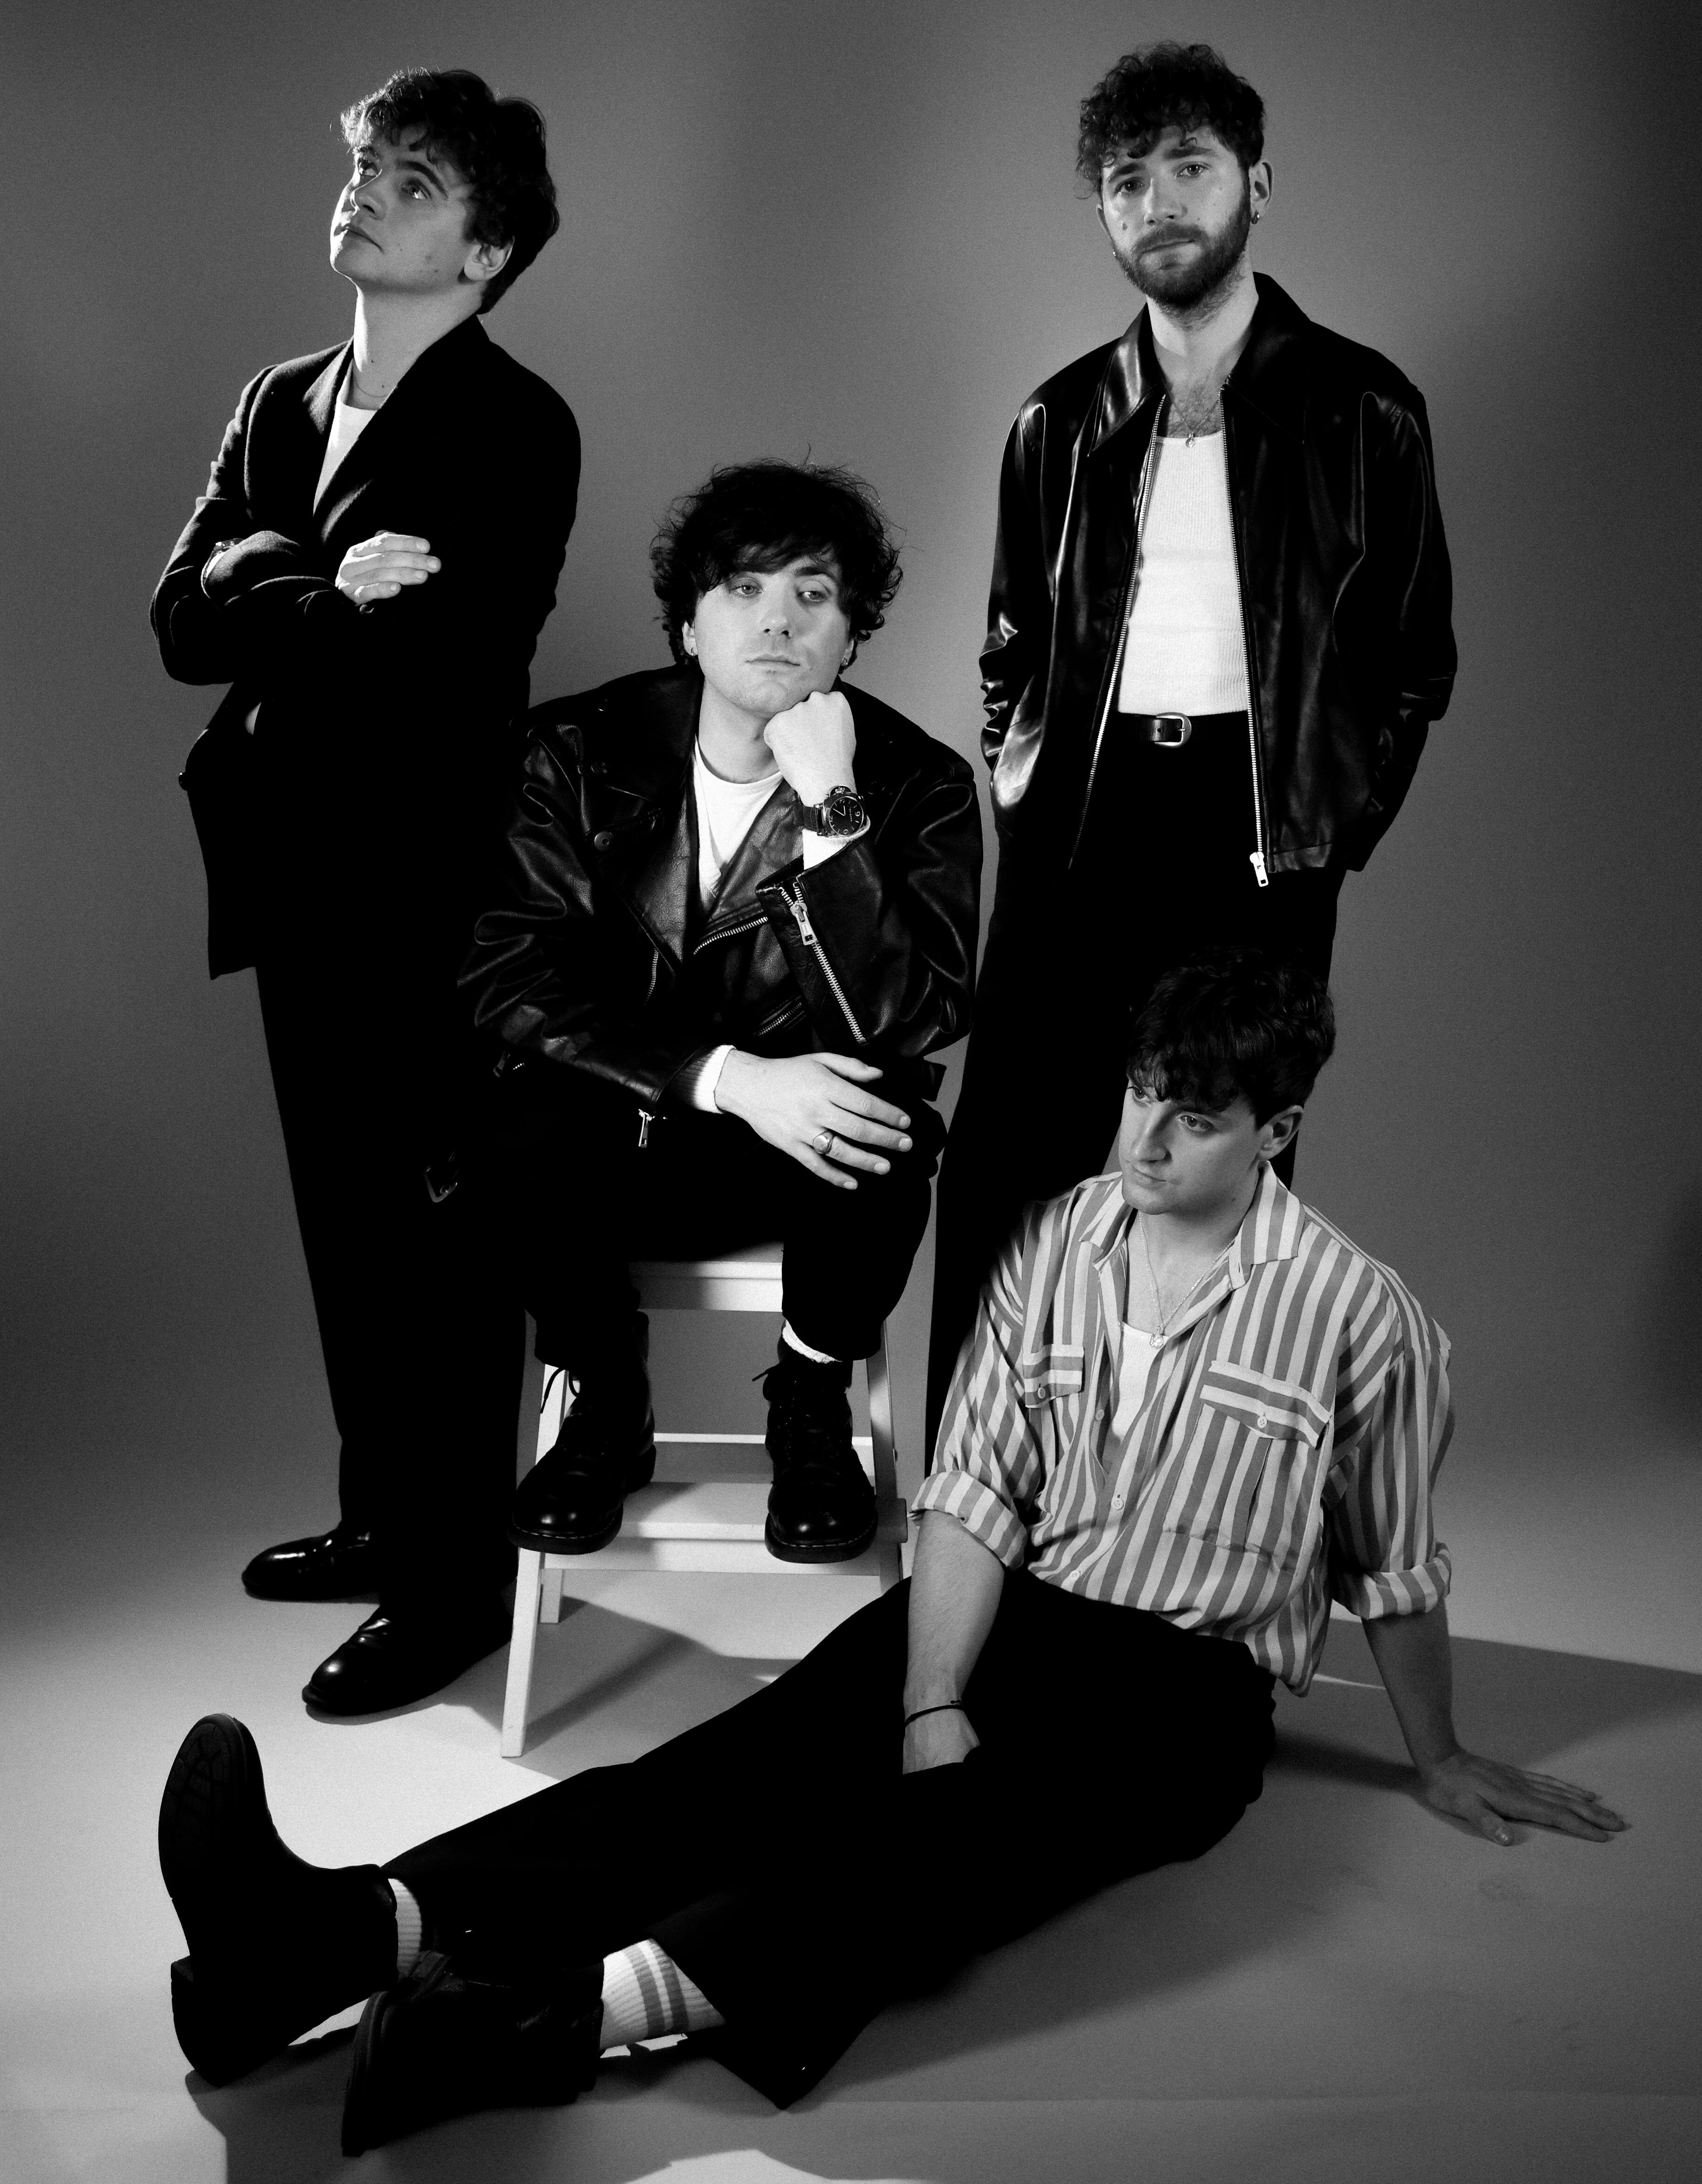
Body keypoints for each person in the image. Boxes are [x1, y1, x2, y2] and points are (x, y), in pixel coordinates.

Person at [155, 952, 1623, 2153]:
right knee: (727, 1771)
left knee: (933, 1841)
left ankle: (547, 2020)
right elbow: (974, 1490)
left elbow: (1394, 1567)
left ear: (1278, 1130)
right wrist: (932, 1696)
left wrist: (1438, 1752)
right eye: (1138, 1096)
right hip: (1002, 1608)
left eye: (1194, 1120)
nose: (1144, 1142)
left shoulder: (1368, 1318)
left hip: (1184, 1690)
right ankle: (332, 1938)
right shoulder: (1059, 1241)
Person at [927, 40, 1457, 1447]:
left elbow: (1414, 660)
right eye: (1125, 181)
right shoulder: (1061, 419)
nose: (1157, 203)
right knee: (1013, 1161)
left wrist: (1329, 831)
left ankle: (1193, 1506)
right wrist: (1026, 795)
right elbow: (1009, 650)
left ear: (1255, 186)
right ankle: (974, 1498)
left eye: (1189, 169)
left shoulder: (1364, 409)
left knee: (1219, 1168)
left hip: (1260, 829)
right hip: (1081, 820)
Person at [150, 69, 580, 1713]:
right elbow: (178, 622)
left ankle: (456, 1579)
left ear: (485, 250)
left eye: (414, 181)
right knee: (342, 1213)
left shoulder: (516, 422)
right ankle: (381, 1518)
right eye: (368, 166)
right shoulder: (281, 398)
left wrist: (267, 583)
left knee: (437, 1235)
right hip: (288, 863)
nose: (369, 193)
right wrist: (320, 581)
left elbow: (449, 659)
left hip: (433, 878)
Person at [461, 458, 981, 1564]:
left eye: (813, 594)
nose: (778, 621)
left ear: (851, 636)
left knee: (886, 1118)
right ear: (689, 626)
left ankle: (811, 1395)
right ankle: (606, 1397)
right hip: (614, 1140)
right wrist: (731, 1078)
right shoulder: (574, 751)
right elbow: (510, 976)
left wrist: (833, 808)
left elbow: (909, 1018)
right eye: (744, 589)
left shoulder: (917, 783)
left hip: (795, 1170)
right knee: (506, 1118)